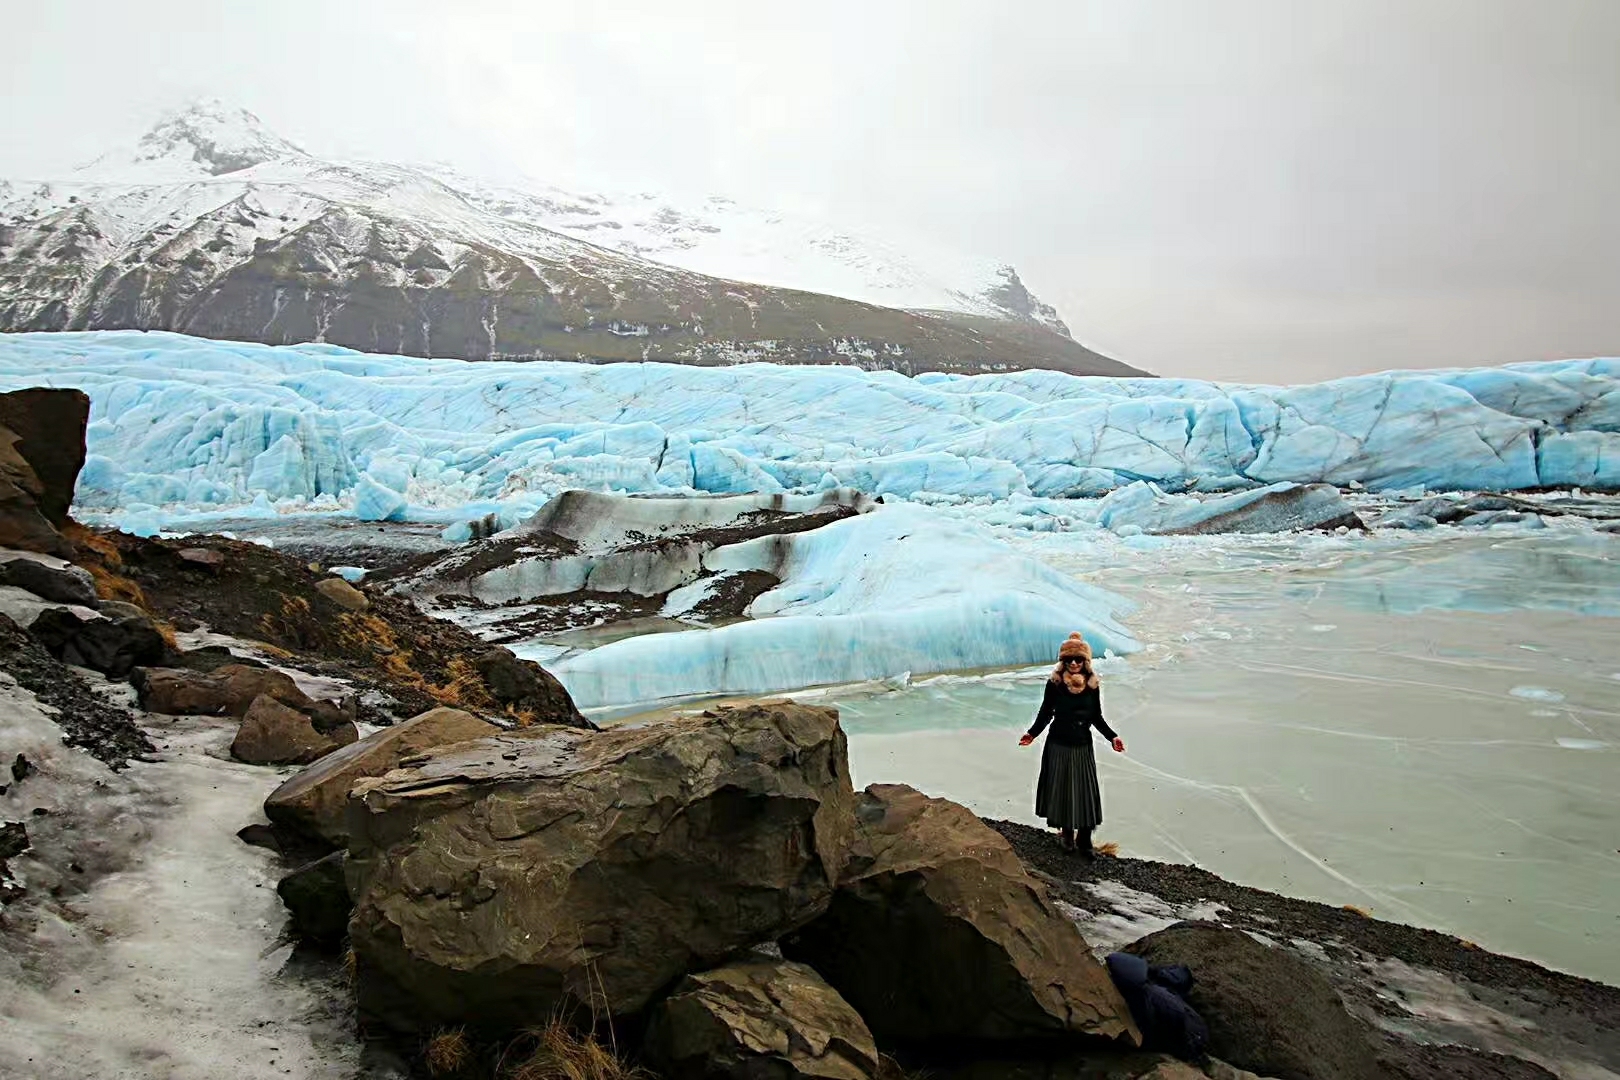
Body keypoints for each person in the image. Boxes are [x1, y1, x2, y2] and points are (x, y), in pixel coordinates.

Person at [1018, 632, 1125, 856]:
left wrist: (1112, 736)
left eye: (1078, 659)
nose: (1074, 663)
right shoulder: (1055, 684)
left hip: (1082, 745)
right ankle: (1067, 836)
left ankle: (1084, 840)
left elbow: (1096, 716)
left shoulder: (1093, 685)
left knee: (1084, 792)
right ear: (1063, 661)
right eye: (1069, 660)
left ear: (1085, 661)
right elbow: (1046, 712)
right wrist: (1032, 733)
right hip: (1058, 743)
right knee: (1064, 790)